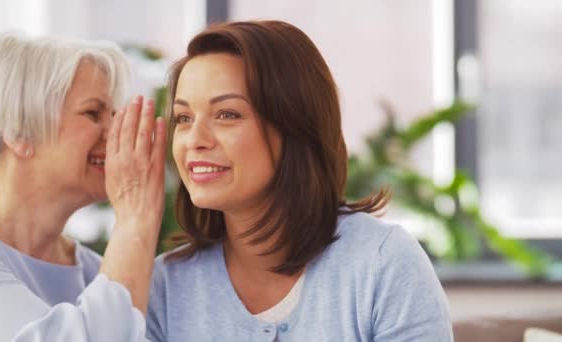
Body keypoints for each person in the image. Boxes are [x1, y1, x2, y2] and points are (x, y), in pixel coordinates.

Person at [146, 20, 452, 341]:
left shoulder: (382, 261)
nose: (195, 139)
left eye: (227, 114)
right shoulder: (165, 287)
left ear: (294, 124)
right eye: (184, 118)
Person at [0, 32, 166, 341]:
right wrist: (136, 218)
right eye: (93, 113)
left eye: (115, 115)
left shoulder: (100, 271)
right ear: (18, 132)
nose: (115, 133)